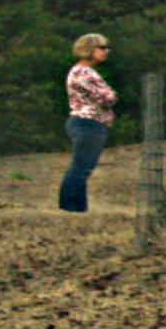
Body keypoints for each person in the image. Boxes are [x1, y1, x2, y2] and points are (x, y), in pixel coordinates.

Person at [60, 33, 116, 213]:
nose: (106, 51)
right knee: (81, 167)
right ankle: (70, 206)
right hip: (88, 123)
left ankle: (78, 206)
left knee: (83, 167)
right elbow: (105, 97)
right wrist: (111, 95)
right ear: (90, 50)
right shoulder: (82, 72)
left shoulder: (87, 72)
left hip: (91, 123)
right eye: (102, 48)